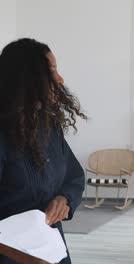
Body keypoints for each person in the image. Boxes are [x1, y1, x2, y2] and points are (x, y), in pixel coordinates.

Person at [0, 38, 86, 264]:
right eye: (52, 71)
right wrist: (22, 255)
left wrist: (64, 199)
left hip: (50, 250)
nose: (60, 79)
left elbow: (74, 176)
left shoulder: (49, 125)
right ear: (26, 78)